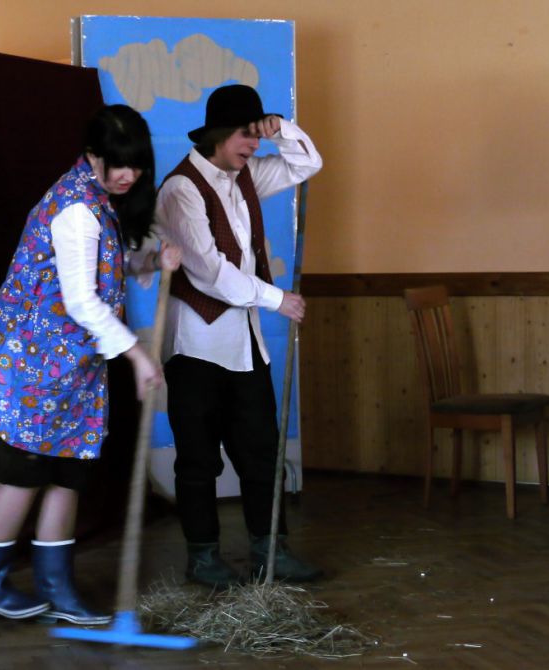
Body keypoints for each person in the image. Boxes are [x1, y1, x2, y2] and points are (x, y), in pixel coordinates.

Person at [0, 104, 181, 623]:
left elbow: (101, 267)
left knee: (67, 473)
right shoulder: (76, 208)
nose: (127, 175)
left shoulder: (98, 201)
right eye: (116, 163)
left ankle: (58, 589)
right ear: (92, 155)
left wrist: (147, 262)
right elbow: (81, 300)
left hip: (69, 370)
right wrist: (137, 356)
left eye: (136, 165)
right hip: (27, 367)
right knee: (25, 475)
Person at [155, 84, 323, 587]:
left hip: (245, 346)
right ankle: (203, 558)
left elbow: (307, 164)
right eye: (245, 135)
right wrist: (277, 299)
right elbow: (210, 273)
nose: (253, 144)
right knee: (198, 460)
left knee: (261, 454)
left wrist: (282, 129)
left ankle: (271, 552)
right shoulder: (181, 189)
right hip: (197, 346)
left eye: (256, 134)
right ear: (217, 134)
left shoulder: (244, 175)